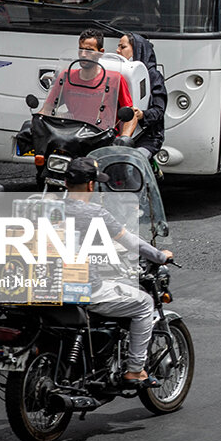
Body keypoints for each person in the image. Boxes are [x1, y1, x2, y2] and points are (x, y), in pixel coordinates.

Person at [61, 156, 172, 386]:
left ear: (65, 182)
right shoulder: (94, 213)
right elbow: (133, 243)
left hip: (43, 288)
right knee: (143, 303)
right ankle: (135, 370)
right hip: (82, 289)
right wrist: (161, 256)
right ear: (91, 185)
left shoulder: (43, 207)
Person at [47, 30, 138, 136]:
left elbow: (131, 117)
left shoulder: (115, 79)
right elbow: (47, 108)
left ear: (101, 52)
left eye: (89, 50)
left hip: (102, 138)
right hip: (72, 136)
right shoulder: (66, 76)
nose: (83, 54)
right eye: (81, 49)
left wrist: (123, 140)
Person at [117, 33, 166, 159]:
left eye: (123, 47)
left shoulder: (153, 76)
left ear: (137, 50)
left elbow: (159, 111)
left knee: (133, 162)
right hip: (120, 134)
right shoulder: (116, 74)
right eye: (118, 47)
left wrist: (142, 115)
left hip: (147, 137)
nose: (118, 51)